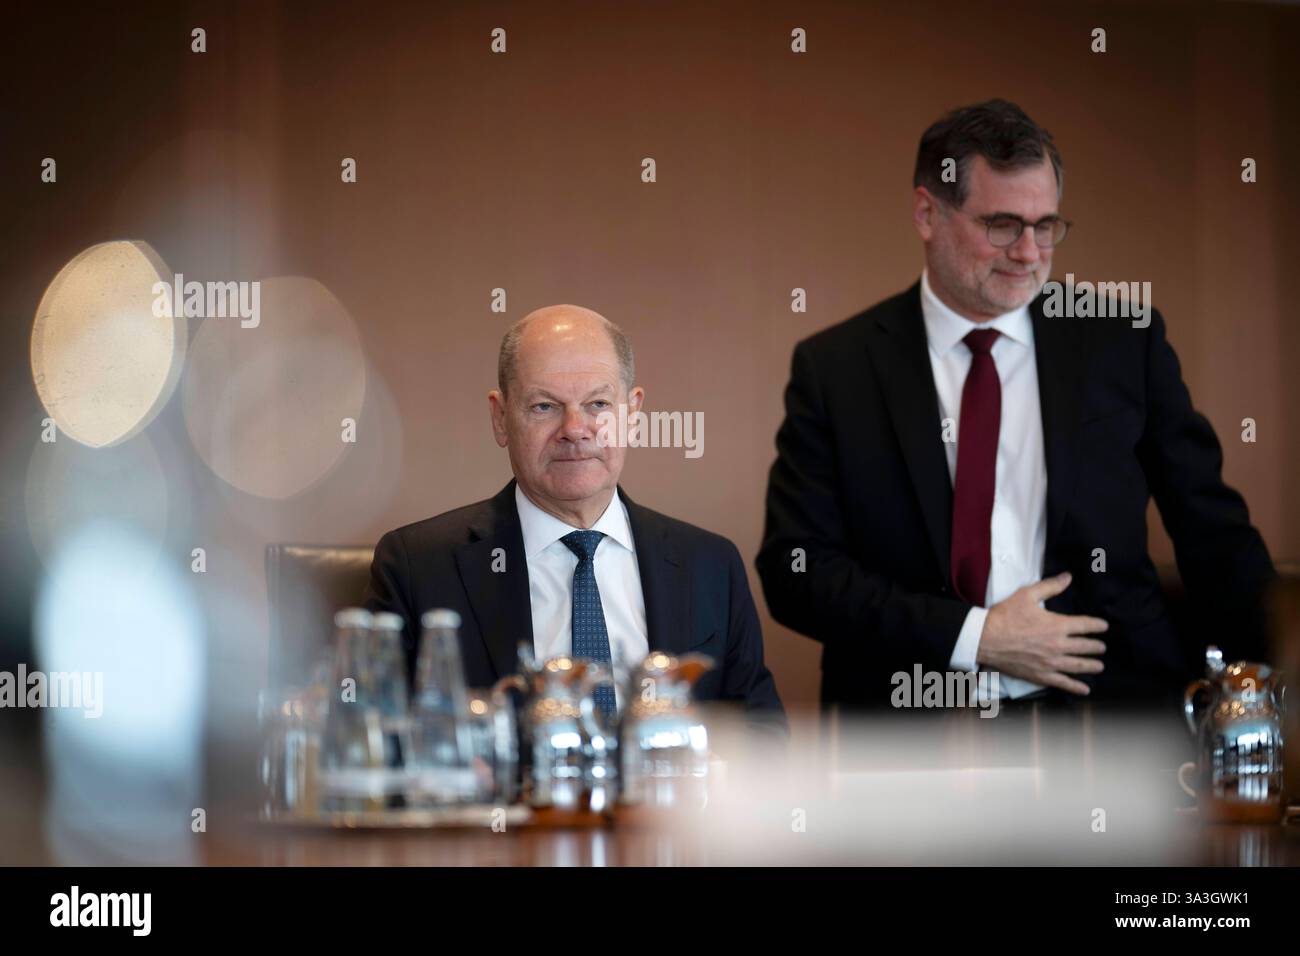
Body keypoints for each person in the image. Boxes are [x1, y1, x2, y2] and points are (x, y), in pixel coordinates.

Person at [757, 99, 1274, 712]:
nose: (1029, 253)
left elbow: (1212, 533)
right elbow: (797, 572)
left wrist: (1265, 687)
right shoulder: (836, 368)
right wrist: (976, 637)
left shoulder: (1122, 338)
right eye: (1002, 225)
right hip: (911, 725)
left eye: (1046, 226)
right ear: (928, 212)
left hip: (1111, 718)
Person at [367, 304, 785, 729]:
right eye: (545, 406)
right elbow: (380, 742)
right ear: (500, 418)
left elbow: (761, 738)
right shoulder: (419, 566)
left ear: (632, 415)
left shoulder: (710, 564)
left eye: (598, 403)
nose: (575, 428)